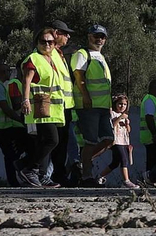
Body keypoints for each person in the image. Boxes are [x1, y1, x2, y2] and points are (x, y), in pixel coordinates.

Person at [19, 29, 65, 188]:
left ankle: (41, 175)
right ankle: (30, 168)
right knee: (52, 140)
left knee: (44, 141)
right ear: (37, 43)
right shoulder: (34, 59)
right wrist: (25, 100)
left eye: (50, 42)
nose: (47, 44)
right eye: (43, 41)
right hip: (39, 107)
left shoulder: (52, 59)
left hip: (51, 109)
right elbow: (26, 80)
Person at [69, 24, 115, 184]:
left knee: (109, 139)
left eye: (102, 37)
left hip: (102, 107)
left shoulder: (100, 56)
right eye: (96, 36)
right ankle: (86, 175)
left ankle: (81, 163)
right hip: (88, 106)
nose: (99, 39)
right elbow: (79, 75)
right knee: (90, 141)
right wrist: (86, 96)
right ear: (89, 37)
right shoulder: (83, 54)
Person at [45, 19, 76, 183]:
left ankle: (59, 175)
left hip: (65, 106)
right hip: (55, 106)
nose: (68, 37)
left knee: (61, 144)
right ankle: (46, 173)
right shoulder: (49, 53)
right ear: (56, 33)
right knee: (54, 142)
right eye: (65, 34)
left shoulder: (60, 54)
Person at [98, 94, 136, 187]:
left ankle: (100, 176)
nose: (122, 106)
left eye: (124, 104)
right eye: (120, 104)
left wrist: (127, 124)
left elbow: (128, 130)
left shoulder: (125, 116)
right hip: (115, 141)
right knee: (123, 159)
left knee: (115, 162)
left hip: (123, 141)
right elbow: (112, 125)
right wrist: (120, 118)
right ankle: (126, 181)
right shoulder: (112, 114)